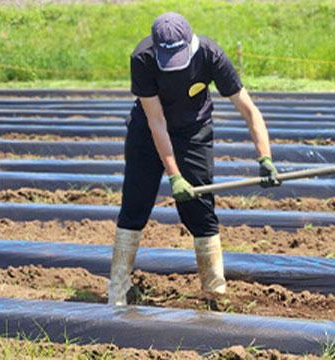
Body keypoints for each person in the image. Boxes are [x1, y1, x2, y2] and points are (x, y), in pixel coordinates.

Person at [108, 12, 281, 306]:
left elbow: (249, 110)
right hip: (148, 133)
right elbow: (156, 122)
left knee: (199, 211)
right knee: (134, 207)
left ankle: (215, 293)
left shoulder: (211, 55)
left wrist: (265, 158)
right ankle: (117, 291)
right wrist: (174, 175)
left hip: (194, 132)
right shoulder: (143, 58)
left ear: (191, 44)